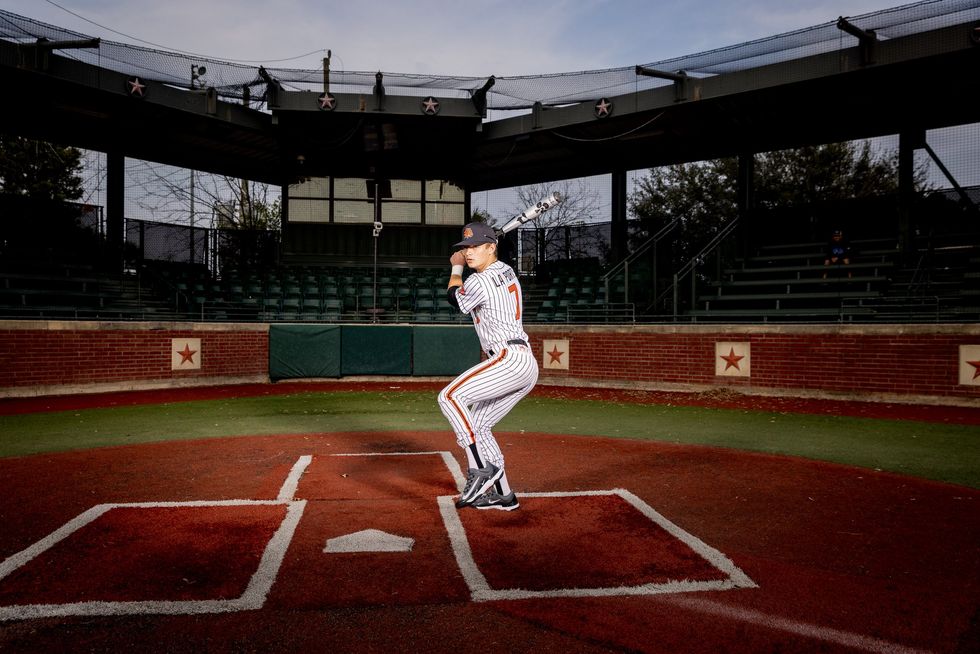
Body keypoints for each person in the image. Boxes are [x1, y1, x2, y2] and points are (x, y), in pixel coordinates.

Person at [437, 222, 538, 512]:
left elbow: (454, 300)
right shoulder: (506, 269)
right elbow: (485, 276)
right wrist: (474, 258)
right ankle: (504, 495)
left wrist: (456, 269)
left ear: (491, 247)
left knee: (449, 397)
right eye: (465, 248)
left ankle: (480, 467)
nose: (468, 253)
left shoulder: (479, 281)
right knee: (479, 425)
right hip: (524, 363)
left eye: (474, 246)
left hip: (508, 358)